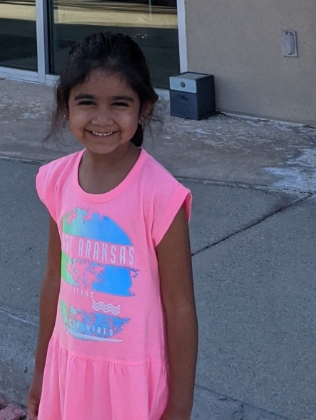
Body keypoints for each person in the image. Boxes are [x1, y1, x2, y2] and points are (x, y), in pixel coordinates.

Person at [27, 32, 197, 420]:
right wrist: (40, 371)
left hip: (132, 385)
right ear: (66, 106)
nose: (102, 119)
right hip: (69, 371)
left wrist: (179, 407)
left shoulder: (160, 195)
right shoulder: (57, 181)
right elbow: (54, 280)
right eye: (86, 102)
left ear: (144, 109)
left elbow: (180, 307)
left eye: (119, 104)